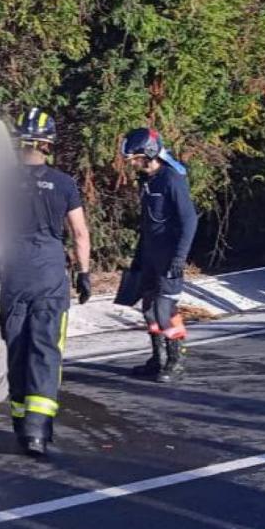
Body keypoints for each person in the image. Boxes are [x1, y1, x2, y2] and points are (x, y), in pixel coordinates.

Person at [0, 108, 92, 459]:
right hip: (50, 273)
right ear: (48, 143)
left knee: (17, 347)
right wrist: (83, 273)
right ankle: (39, 431)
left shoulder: (1, 181)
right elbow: (80, 233)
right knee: (46, 349)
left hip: (14, 271)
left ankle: (21, 425)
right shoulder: (64, 184)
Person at [119, 128, 198, 383]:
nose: (132, 164)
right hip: (150, 255)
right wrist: (140, 256)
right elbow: (148, 222)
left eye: (135, 158)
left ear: (150, 153)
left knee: (164, 310)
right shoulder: (147, 181)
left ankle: (177, 359)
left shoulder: (172, 179)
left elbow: (189, 221)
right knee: (149, 310)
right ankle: (158, 358)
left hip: (168, 256)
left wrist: (179, 258)